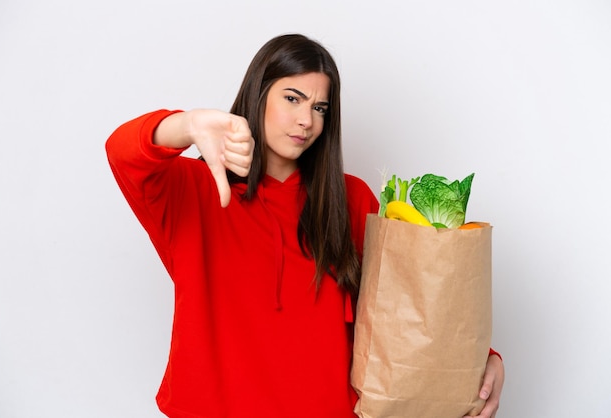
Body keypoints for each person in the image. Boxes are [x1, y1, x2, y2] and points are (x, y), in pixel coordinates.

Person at [106, 33, 504, 418]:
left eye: (320, 108)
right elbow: (122, 151)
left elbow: (404, 305)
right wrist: (188, 124)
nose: (306, 121)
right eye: (292, 98)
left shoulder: (350, 198)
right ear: (258, 94)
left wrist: (481, 361)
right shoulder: (190, 190)